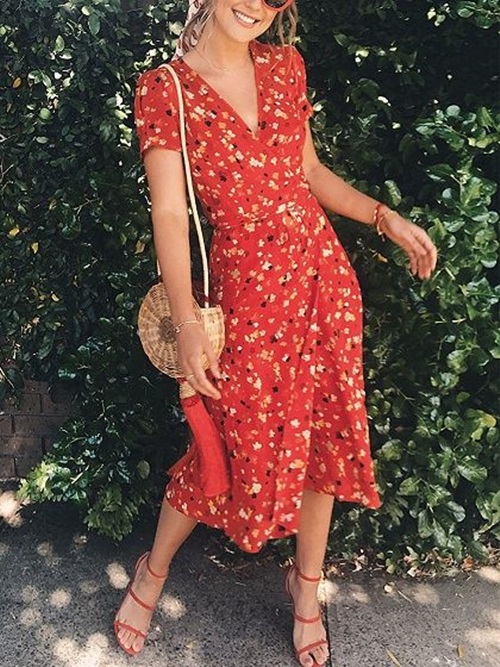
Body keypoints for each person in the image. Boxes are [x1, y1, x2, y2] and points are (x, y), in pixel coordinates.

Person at [114, 1, 438, 665]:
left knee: (323, 437)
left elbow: (308, 173)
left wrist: (384, 217)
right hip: (246, 303)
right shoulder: (165, 88)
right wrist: (187, 320)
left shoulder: (286, 67)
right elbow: (170, 214)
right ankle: (152, 571)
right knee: (219, 446)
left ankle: (306, 589)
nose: (256, 5)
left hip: (322, 286)